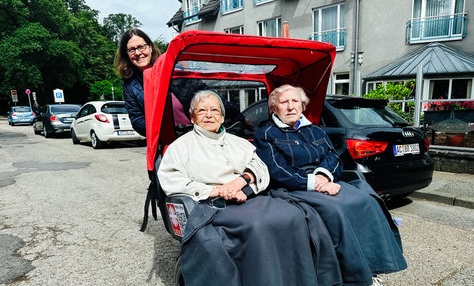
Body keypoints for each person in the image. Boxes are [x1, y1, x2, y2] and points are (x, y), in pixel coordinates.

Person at [157, 90, 342, 286]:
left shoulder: (239, 143)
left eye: (214, 110)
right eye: (202, 111)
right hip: (211, 205)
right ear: (193, 117)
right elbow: (171, 179)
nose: (209, 115)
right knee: (258, 226)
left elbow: (260, 167)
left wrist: (242, 181)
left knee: (293, 215)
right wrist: (217, 190)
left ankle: (299, 279)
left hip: (248, 197)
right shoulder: (180, 147)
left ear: (222, 117)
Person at [254, 84, 407, 286]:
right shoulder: (266, 133)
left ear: (302, 106)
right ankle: (356, 276)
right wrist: (315, 183)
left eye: (295, 101)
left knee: (366, 201)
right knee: (336, 211)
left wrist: (324, 177)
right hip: (294, 186)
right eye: (284, 102)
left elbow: (334, 159)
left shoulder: (315, 130)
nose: (290, 107)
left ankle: (374, 265)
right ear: (274, 108)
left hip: (325, 181)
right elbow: (277, 170)